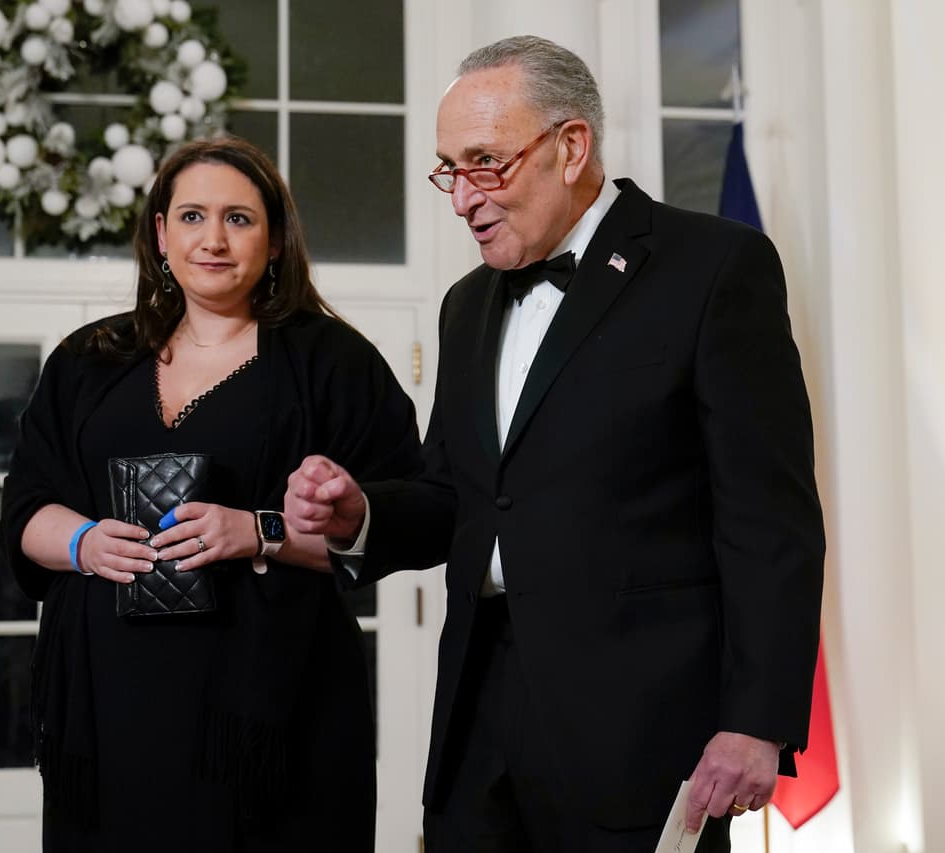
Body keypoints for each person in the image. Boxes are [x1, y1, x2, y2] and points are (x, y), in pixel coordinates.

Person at [285, 36, 825, 852]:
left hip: (641, 738)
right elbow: (456, 496)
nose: (463, 198)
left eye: (485, 164)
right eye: (449, 171)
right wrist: (360, 513)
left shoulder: (715, 267)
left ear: (571, 147)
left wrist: (757, 723)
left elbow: (768, 517)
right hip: (478, 730)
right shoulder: (467, 305)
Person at [0, 136, 421, 853]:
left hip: (274, 719)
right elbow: (24, 507)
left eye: (240, 219)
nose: (213, 239)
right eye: (192, 217)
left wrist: (258, 530)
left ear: (277, 238)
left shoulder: (334, 363)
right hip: (108, 709)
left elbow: (414, 518)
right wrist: (83, 542)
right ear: (161, 234)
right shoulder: (87, 360)